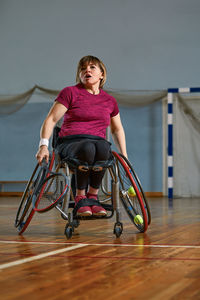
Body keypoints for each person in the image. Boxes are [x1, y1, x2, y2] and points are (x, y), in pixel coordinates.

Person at [36, 55, 128, 217]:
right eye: (83, 68)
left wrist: (124, 156)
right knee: (88, 147)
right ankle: (80, 197)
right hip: (70, 143)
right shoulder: (70, 92)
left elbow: (117, 129)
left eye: (92, 67)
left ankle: (92, 197)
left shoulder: (109, 101)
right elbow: (50, 120)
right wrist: (43, 145)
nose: (87, 70)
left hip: (97, 143)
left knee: (103, 147)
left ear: (102, 74)